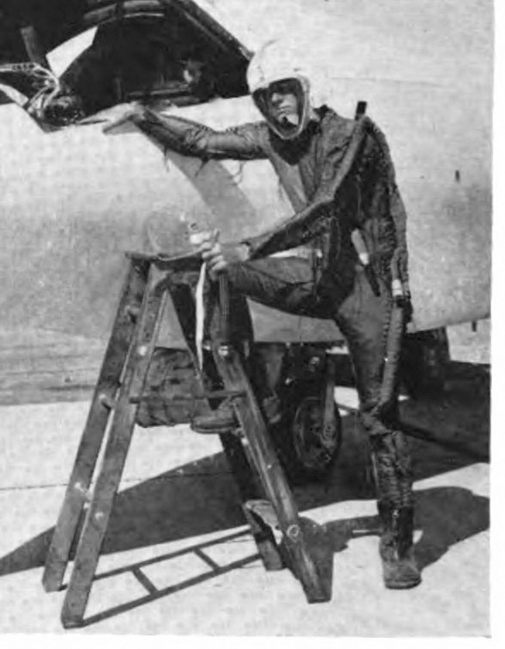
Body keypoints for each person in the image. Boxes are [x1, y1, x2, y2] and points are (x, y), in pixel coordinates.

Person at [118, 39, 421, 590]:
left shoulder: (352, 136)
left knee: (380, 418)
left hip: (371, 289)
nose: (278, 105)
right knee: (221, 271)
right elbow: (206, 140)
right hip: (321, 276)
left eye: (286, 92)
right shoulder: (271, 136)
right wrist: (145, 116)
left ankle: (398, 540)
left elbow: (324, 207)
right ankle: (252, 394)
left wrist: (251, 246)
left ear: (309, 89)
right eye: (266, 97)